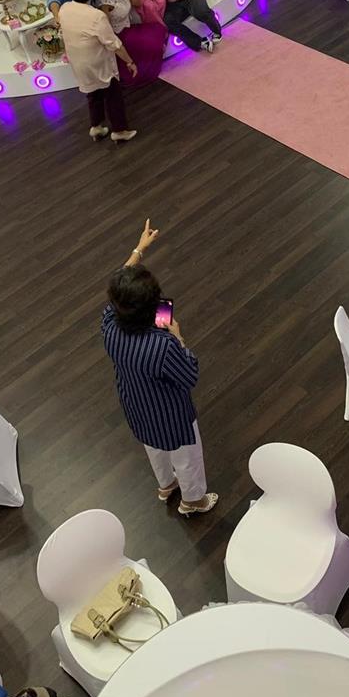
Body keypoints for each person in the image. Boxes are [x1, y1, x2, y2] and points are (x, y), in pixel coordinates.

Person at [102, 219, 218, 517]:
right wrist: (179, 338)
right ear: (151, 308)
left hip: (136, 405)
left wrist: (139, 249)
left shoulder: (109, 324)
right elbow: (190, 376)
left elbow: (118, 288)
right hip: (172, 416)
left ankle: (166, 485)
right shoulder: (163, 345)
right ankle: (192, 501)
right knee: (187, 459)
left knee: (154, 449)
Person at [58, 0, 138, 143]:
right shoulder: (96, 16)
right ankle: (119, 130)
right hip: (98, 63)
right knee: (113, 95)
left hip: (78, 63)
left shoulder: (64, 9)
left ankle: (96, 126)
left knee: (93, 94)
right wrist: (130, 62)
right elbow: (113, 43)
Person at [95, 0, 166, 89]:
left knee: (158, 28)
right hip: (119, 35)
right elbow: (107, 30)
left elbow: (136, 3)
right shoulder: (103, 0)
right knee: (153, 41)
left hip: (129, 28)